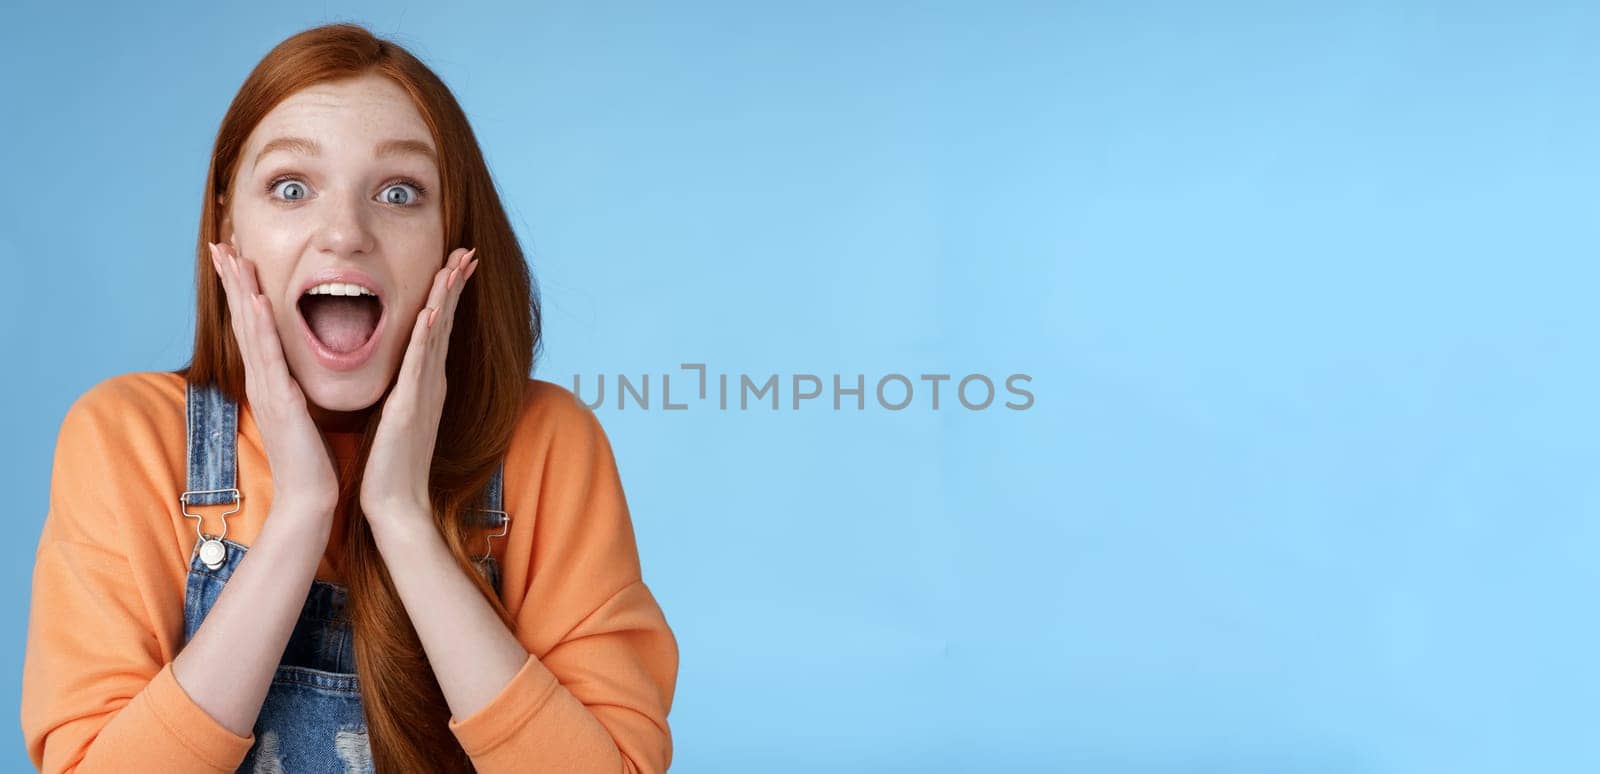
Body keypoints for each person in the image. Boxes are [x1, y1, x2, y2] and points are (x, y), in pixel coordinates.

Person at [19, 22, 678, 773]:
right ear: (229, 224)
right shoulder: (127, 438)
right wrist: (303, 511)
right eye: (292, 187)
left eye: (399, 192)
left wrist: (402, 519)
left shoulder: (545, 443)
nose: (345, 233)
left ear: (451, 241)